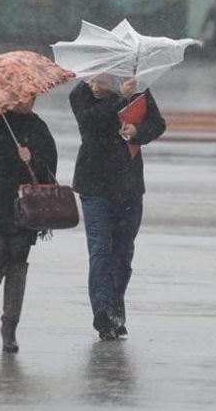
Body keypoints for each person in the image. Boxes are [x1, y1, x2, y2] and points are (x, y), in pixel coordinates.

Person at [69, 74, 165, 341]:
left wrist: (138, 132)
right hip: (93, 185)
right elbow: (90, 122)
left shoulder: (138, 90)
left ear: (114, 78)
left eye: (102, 82)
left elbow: (158, 124)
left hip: (129, 185)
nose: (96, 87)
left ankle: (115, 311)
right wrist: (120, 98)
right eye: (93, 81)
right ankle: (101, 312)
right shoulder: (80, 94)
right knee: (100, 249)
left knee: (123, 253)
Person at [0, 104, 57, 353]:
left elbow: (50, 168)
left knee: (17, 261)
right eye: (22, 96)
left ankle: (10, 328)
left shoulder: (38, 126)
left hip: (24, 205)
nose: (27, 101)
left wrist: (33, 159)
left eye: (31, 96)